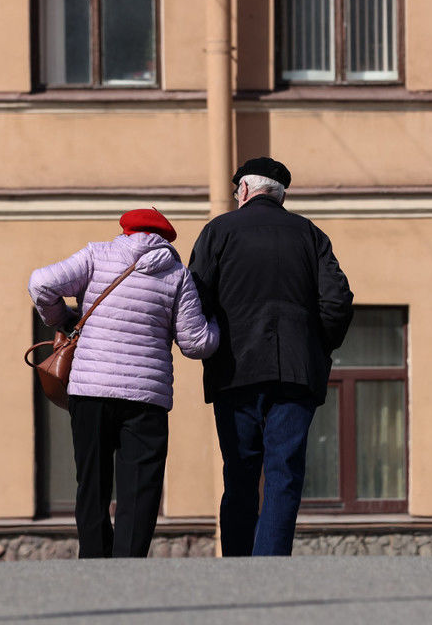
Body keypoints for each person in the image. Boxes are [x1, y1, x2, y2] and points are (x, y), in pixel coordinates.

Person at [29, 208, 219, 558]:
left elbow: (41, 283)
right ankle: (128, 567)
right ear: (165, 239)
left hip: (90, 391)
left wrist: (64, 319)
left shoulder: (95, 255)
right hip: (146, 396)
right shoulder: (177, 275)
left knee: (92, 482)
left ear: (126, 230)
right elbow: (196, 344)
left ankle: (94, 563)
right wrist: (218, 324)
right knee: (140, 489)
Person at [189, 157, 354, 556]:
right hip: (297, 374)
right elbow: (337, 302)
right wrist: (316, 347)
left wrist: (209, 341)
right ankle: (270, 564)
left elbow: (193, 297)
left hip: (234, 370)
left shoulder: (219, 231)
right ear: (280, 194)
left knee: (240, 473)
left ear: (243, 191)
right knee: (284, 473)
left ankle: (239, 565)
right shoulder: (310, 234)